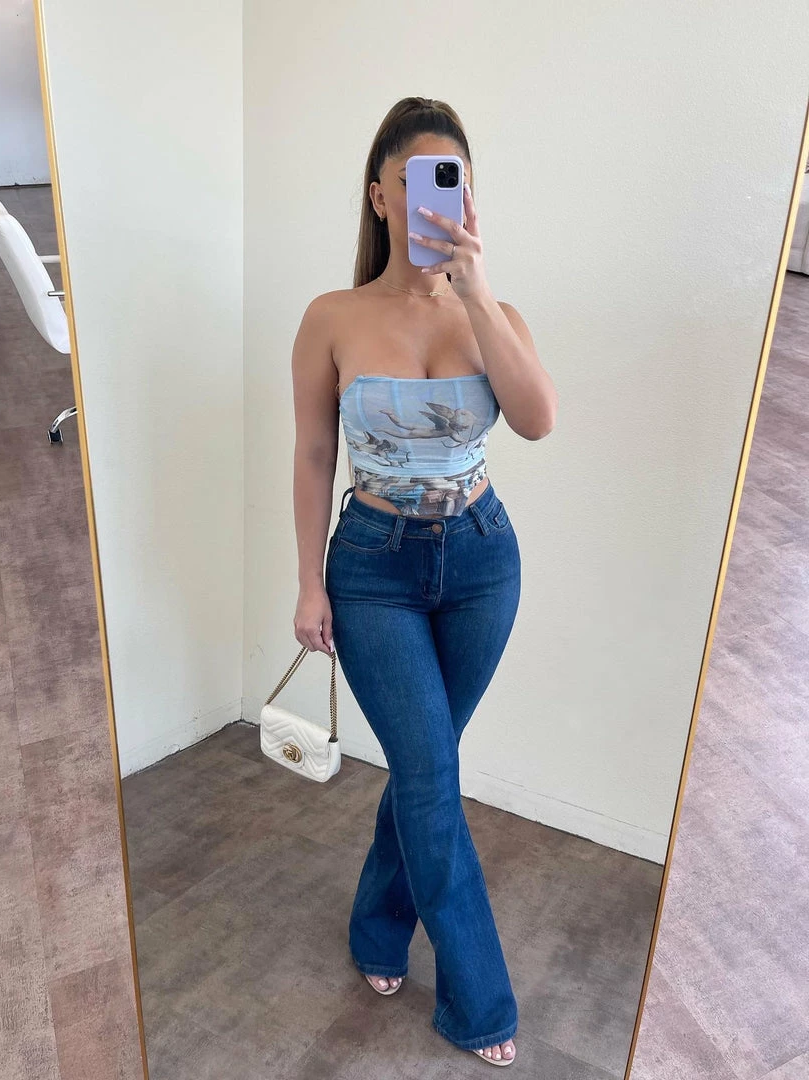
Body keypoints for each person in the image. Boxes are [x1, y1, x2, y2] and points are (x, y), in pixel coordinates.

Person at [291, 96, 558, 1066]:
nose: (434, 198)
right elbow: (313, 454)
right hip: (372, 569)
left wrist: (476, 291)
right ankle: (480, 1002)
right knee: (433, 774)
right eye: (415, 181)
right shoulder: (332, 317)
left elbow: (537, 420)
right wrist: (308, 583)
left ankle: (375, 929)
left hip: (483, 561)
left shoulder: (495, 314)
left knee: (422, 768)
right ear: (379, 195)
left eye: (454, 181)